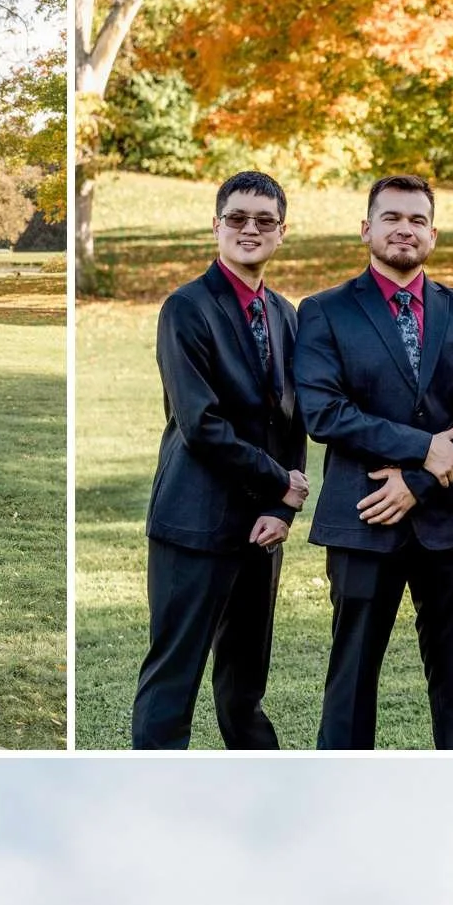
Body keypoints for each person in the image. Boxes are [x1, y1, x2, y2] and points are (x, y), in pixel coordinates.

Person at [292, 174, 453, 751]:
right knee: (351, 678)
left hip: (451, 519)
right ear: (366, 229)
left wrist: (420, 477)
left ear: (432, 233)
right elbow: (324, 412)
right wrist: (421, 446)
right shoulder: (324, 311)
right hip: (362, 517)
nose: (404, 229)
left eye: (416, 220)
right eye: (391, 217)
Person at [129, 171, 307, 750]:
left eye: (264, 220)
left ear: (281, 232)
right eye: (237, 218)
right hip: (194, 522)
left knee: (244, 686)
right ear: (216, 226)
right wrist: (282, 480)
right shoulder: (186, 308)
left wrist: (283, 508)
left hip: (261, 529)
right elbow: (201, 425)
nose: (249, 229)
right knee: (172, 681)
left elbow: (294, 420)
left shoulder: (286, 314)